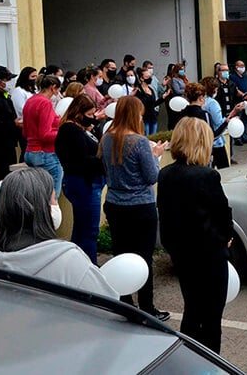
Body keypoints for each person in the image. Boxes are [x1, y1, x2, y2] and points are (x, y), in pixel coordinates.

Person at [158, 117, 234, 353]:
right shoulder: (206, 176)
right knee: (211, 319)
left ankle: (188, 360)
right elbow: (222, 213)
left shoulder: (166, 174)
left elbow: (166, 214)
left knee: (192, 309)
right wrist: (224, 239)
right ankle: (210, 365)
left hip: (182, 254)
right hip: (209, 256)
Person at [0, 168, 118, 299]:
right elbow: (108, 303)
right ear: (41, 208)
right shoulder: (69, 260)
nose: (56, 205)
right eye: (54, 199)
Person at [100, 96, 170, 320]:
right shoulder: (139, 142)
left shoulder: (107, 139)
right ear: (134, 114)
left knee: (121, 252)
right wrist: (156, 156)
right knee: (143, 257)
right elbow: (151, 176)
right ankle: (147, 307)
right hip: (140, 205)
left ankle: (125, 301)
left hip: (114, 202)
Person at [56, 94, 106, 264]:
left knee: (81, 228)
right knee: (89, 231)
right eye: (90, 115)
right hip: (83, 182)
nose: (92, 118)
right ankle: (90, 266)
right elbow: (81, 159)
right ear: (78, 113)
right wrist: (103, 159)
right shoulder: (71, 131)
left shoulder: (78, 129)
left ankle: (77, 263)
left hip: (83, 181)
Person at [23, 75, 64, 197]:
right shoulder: (45, 103)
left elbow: (25, 132)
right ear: (53, 87)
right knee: (51, 198)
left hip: (30, 151)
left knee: (38, 196)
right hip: (45, 153)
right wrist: (62, 134)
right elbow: (45, 134)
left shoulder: (30, 101)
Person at [194, 79, 244, 169]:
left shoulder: (199, 103)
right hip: (215, 142)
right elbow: (219, 122)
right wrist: (231, 116)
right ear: (213, 89)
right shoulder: (212, 103)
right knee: (224, 169)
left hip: (201, 142)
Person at [135, 66, 166, 136]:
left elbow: (153, 104)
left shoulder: (150, 89)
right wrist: (146, 95)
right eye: (147, 77)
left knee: (153, 137)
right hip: (144, 118)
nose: (150, 78)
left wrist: (162, 98)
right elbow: (140, 103)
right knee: (146, 136)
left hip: (153, 117)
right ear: (141, 78)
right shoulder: (138, 90)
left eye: (150, 76)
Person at [231, 60, 247, 144]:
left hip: (246, 102)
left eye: (243, 65)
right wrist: (244, 95)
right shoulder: (233, 77)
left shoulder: (245, 77)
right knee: (238, 119)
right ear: (236, 67)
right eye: (241, 66)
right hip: (238, 101)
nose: (243, 67)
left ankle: (245, 137)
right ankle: (237, 138)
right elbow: (235, 89)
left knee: (245, 119)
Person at [164, 62, 188, 130]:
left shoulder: (182, 79)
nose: (183, 71)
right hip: (178, 100)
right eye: (181, 69)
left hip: (184, 99)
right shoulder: (174, 80)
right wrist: (186, 90)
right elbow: (177, 91)